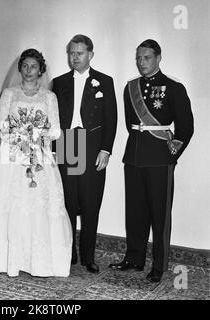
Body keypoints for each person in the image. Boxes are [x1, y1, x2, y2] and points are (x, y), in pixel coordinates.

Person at [0, 49, 73, 277]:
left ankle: (39, 262)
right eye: (25, 66)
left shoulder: (50, 97)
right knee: (10, 204)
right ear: (20, 69)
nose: (29, 71)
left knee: (37, 207)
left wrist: (35, 135)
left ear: (41, 70)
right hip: (12, 155)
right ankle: (3, 260)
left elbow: (56, 130)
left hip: (39, 155)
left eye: (34, 67)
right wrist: (19, 137)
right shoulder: (9, 93)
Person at [108, 39, 194, 282]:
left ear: (158, 58)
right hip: (134, 156)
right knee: (134, 212)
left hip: (159, 158)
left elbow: (186, 127)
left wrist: (172, 154)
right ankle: (134, 258)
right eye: (138, 58)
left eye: (146, 58)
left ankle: (159, 265)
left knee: (160, 214)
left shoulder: (173, 87)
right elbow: (130, 124)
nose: (141, 62)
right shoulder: (130, 87)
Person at [52, 34, 117, 273]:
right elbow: (53, 118)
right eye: (71, 53)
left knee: (91, 203)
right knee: (68, 202)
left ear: (90, 54)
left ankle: (88, 256)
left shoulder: (105, 81)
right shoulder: (59, 82)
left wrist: (106, 149)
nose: (75, 57)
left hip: (92, 146)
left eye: (79, 53)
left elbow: (111, 118)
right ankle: (69, 252)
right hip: (68, 142)